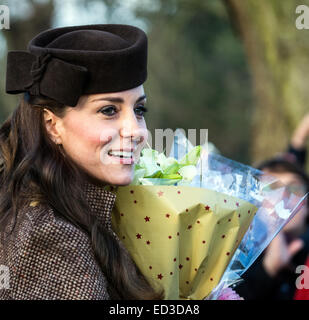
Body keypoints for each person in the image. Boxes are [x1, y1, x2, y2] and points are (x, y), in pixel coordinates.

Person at [0, 24, 164, 300]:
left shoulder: (42, 208)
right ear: (52, 125)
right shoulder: (52, 237)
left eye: (139, 110)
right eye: (109, 110)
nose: (137, 131)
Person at [234, 158, 309, 299]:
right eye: (271, 188)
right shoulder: (233, 259)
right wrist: (268, 270)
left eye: (294, 188)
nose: (284, 196)